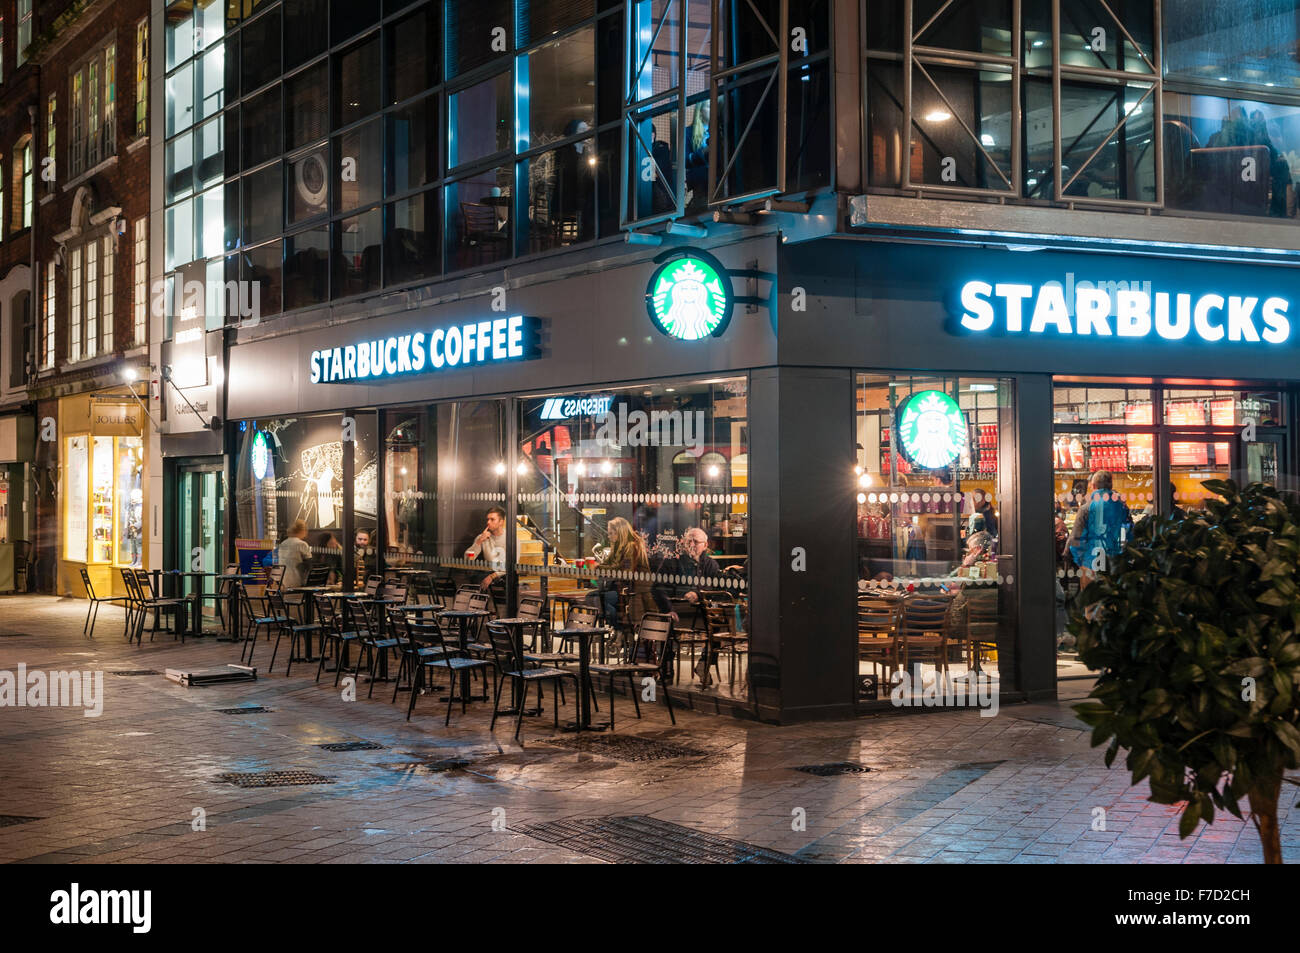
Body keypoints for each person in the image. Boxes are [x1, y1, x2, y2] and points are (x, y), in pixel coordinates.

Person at [1067, 470, 1133, 589]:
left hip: (1091, 563)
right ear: (1111, 486)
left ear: (1093, 486)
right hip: (1115, 563)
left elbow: (1076, 539)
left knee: (1092, 604)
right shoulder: (1122, 507)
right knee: (1114, 603)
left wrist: (1081, 561)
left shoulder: (1086, 508)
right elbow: (1128, 534)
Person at [465, 506, 507, 590]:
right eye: (487, 519)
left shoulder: (511, 538)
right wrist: (479, 541)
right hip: (488, 571)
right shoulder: (482, 537)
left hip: (504, 574)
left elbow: (512, 565)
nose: (488, 522)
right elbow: (467, 559)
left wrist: (492, 576)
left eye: (492, 519)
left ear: (501, 522)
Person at [277, 519, 313, 590]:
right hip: (298, 581)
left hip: (284, 581)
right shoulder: (301, 544)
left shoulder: (283, 544)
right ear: (302, 531)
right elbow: (309, 564)